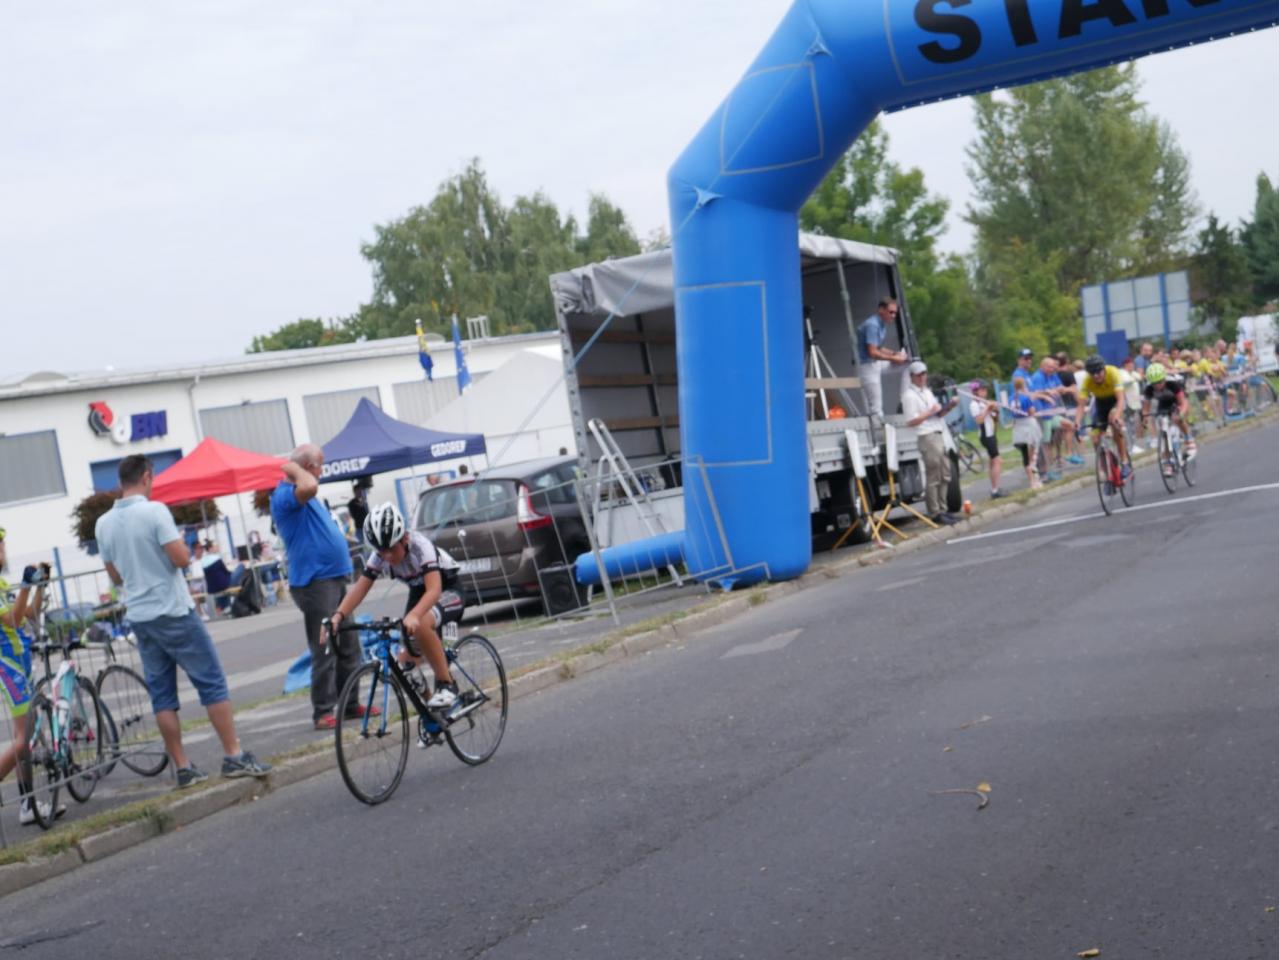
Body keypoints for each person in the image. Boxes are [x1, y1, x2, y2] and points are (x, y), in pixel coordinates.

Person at [95, 456, 271, 787]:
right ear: (147, 477)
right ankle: (233, 755)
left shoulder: (103, 524)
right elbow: (180, 557)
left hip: (140, 616)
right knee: (212, 682)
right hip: (173, 608)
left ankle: (183, 767)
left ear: (122, 481)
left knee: (162, 695)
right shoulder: (154, 511)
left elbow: (115, 576)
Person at [328, 503, 463, 716]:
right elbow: (360, 589)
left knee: (421, 624)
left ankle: (448, 684)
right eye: (381, 551)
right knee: (404, 663)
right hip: (419, 592)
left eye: (391, 548)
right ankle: (434, 714)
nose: (387, 556)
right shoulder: (381, 555)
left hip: (447, 588)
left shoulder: (421, 546)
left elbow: (434, 589)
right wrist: (338, 615)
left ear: (404, 538)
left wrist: (416, 615)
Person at [270, 444, 365, 731]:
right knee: (325, 647)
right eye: (319, 465)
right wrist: (296, 468)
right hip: (314, 582)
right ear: (307, 468)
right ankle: (323, 710)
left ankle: (349, 704)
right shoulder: (286, 495)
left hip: (332, 578)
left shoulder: (303, 492)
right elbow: (309, 485)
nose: (322, 472)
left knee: (348, 642)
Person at [0, 534, 66, 824]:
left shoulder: (3, 584)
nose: (4, 549)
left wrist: (39, 587)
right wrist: (26, 586)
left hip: (21, 661)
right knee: (22, 738)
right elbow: (12, 621)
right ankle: (26, 804)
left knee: (25, 740)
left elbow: (30, 614)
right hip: (8, 665)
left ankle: (27, 805)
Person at [901, 361, 959, 525]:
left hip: (937, 431)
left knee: (945, 472)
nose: (922, 377)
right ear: (912, 377)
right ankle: (935, 512)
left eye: (924, 373)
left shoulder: (927, 392)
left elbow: (937, 413)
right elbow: (911, 421)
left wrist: (950, 406)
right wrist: (929, 412)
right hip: (926, 435)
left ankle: (944, 508)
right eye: (919, 375)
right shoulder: (909, 396)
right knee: (934, 474)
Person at [1074, 355, 1132, 479]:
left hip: (1115, 401)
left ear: (1104, 369)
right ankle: (1108, 476)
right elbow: (1081, 406)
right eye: (1092, 373)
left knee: (1113, 420)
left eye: (1098, 372)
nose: (1095, 376)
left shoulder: (1113, 372)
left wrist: (1117, 415)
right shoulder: (1087, 381)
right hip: (1100, 404)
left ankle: (1125, 462)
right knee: (1095, 439)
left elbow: (1121, 399)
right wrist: (1077, 422)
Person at [855, 298, 909, 418]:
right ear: (881, 310)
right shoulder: (873, 325)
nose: (893, 315)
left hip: (875, 364)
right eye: (891, 312)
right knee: (876, 410)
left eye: (895, 313)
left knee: (909, 365)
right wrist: (894, 359)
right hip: (867, 367)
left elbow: (878, 347)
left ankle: (904, 403)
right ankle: (879, 434)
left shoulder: (881, 324)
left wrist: (895, 353)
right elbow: (872, 352)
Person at [1141, 362, 1195, 472]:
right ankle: (1168, 460)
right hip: (1164, 402)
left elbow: (1183, 403)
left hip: (1177, 400)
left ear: (1164, 379)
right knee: (1164, 431)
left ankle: (1188, 439)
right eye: (1154, 383)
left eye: (1160, 382)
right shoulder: (1149, 389)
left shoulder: (1173, 384)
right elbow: (1146, 408)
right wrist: (1145, 418)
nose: (1157, 385)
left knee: (1178, 418)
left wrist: (1180, 414)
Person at [967, 380, 1003, 499]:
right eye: (982, 390)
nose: (985, 392)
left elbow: (994, 418)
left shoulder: (984, 402)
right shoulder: (974, 404)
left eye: (985, 389)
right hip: (985, 436)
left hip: (992, 433)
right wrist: (988, 408)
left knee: (992, 462)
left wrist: (995, 410)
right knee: (998, 461)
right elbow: (979, 420)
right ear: (975, 391)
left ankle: (995, 488)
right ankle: (995, 490)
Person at [1010, 376, 1044, 490]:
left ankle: (1031, 481)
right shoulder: (1025, 398)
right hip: (1028, 424)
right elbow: (1031, 412)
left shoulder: (1011, 399)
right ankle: (1035, 479)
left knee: (1025, 454)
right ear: (1023, 385)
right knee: (1033, 453)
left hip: (1018, 426)